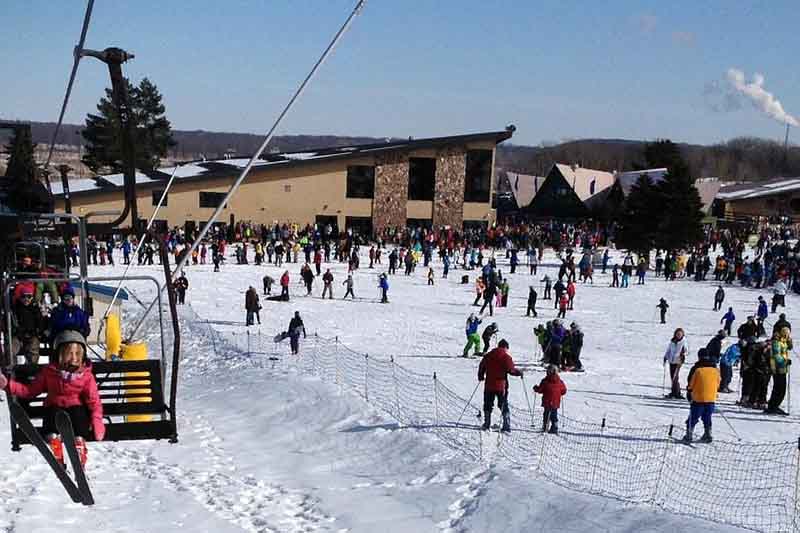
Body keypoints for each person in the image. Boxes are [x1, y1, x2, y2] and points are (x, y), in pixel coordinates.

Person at [1, 330, 105, 465]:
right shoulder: (49, 373)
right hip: (55, 409)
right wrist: (8, 385)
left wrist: (97, 421)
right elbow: (30, 390)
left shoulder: (86, 376)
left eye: (78, 354)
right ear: (59, 355)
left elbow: (94, 401)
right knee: (52, 412)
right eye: (69, 354)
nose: (74, 358)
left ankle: (79, 446)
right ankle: (54, 443)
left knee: (79, 413)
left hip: (75, 411)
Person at [478, 339, 522, 432]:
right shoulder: (506, 357)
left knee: (488, 404)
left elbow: (482, 366)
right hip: (501, 386)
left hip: (489, 385)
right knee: (503, 404)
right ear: (505, 347)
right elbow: (511, 370)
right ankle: (506, 425)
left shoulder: (488, 355)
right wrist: (519, 373)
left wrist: (481, 376)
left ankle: (487, 423)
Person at [683, 347, 720, 443]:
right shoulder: (715, 369)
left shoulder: (697, 369)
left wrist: (689, 391)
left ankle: (689, 434)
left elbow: (691, 382)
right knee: (707, 416)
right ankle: (708, 433)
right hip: (711, 398)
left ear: (699, 357)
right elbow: (718, 382)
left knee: (694, 416)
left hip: (698, 398)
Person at [11, 287, 44, 364]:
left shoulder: (35, 309)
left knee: (33, 348)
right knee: (11, 348)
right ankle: (12, 369)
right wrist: (16, 331)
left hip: (32, 334)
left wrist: (38, 332)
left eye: (29, 297)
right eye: (23, 297)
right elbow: (12, 322)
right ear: (20, 297)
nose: (26, 299)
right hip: (18, 335)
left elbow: (40, 322)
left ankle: (31, 368)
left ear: (32, 297)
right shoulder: (16, 308)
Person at [765, 327, 792, 415]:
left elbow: (789, 348)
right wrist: (785, 362)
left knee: (780, 389)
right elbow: (776, 355)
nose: (788, 336)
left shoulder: (783, 341)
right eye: (787, 334)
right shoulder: (776, 342)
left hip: (782, 368)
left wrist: (789, 341)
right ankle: (773, 406)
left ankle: (773, 406)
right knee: (779, 389)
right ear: (783, 333)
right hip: (777, 368)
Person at [533, 364, 567, 434]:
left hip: (547, 401)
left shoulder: (545, 381)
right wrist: (561, 393)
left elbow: (540, 390)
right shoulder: (560, 381)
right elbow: (564, 390)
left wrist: (536, 388)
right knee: (554, 414)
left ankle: (545, 427)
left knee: (546, 414)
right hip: (555, 402)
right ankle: (555, 427)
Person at [664, 328, 688, 399]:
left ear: (682, 334)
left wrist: (683, 354)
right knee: (672, 377)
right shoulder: (672, 341)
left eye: (680, 334)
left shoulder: (683, 342)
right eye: (677, 334)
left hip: (678, 361)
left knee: (675, 377)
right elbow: (668, 350)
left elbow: (687, 351)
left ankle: (677, 393)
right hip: (671, 361)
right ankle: (674, 392)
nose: (678, 335)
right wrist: (665, 357)